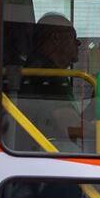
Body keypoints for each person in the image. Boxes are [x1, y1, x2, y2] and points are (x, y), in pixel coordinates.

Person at [13, 14, 87, 152]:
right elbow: (71, 127)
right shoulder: (49, 75)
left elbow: (68, 117)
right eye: (74, 37)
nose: (78, 43)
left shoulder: (34, 67)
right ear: (55, 38)